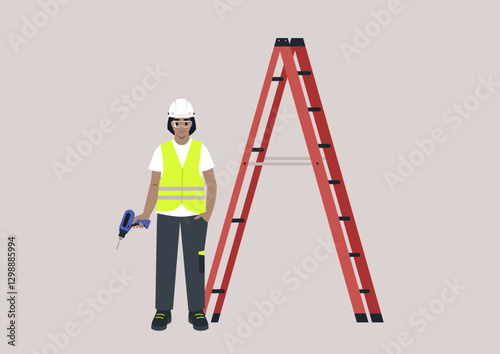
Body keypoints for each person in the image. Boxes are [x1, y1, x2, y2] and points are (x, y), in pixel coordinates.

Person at [133, 98, 217, 331]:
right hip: (167, 213)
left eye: (186, 122)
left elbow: (211, 183)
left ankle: (196, 311)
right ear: (170, 124)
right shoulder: (161, 151)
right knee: (165, 262)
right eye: (177, 122)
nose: (181, 127)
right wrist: (146, 214)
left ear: (192, 124)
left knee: (196, 263)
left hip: (196, 215)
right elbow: (154, 186)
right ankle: (163, 311)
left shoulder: (201, 149)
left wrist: (208, 213)